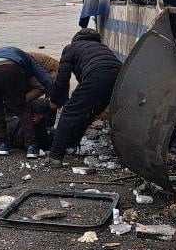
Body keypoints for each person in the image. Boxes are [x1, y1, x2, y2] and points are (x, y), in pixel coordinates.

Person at [46, 28, 122, 166]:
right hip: (121, 77)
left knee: (70, 112)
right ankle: (71, 144)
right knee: (89, 112)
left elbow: (62, 79)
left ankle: (55, 156)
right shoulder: (102, 48)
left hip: (97, 75)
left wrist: (56, 100)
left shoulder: (71, 48)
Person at [0, 46, 54, 158]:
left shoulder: (14, 54)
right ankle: (31, 147)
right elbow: (46, 79)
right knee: (22, 105)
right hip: (9, 67)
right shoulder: (30, 59)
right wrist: (56, 96)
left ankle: (2, 144)